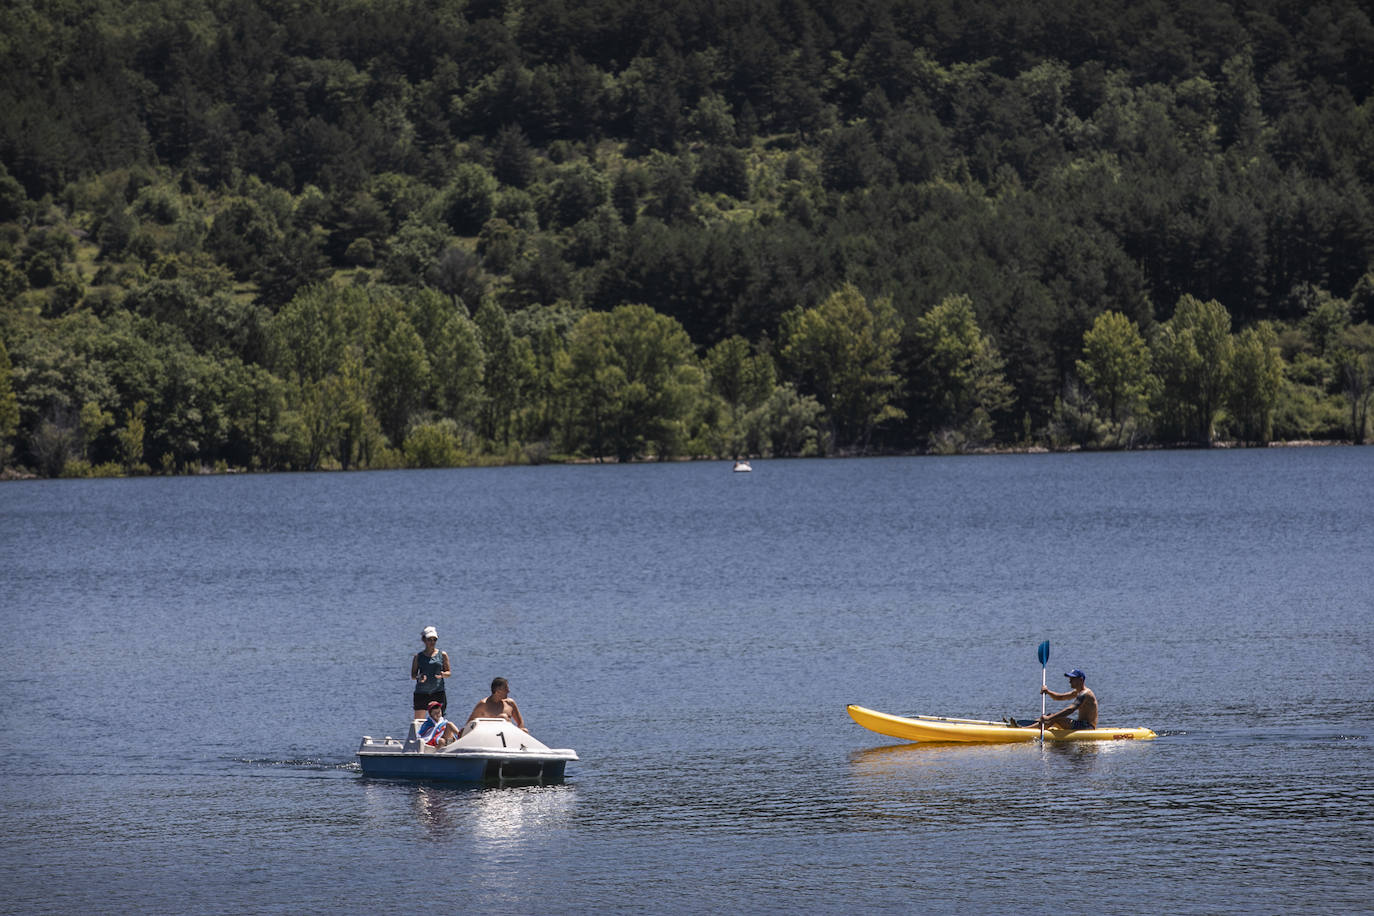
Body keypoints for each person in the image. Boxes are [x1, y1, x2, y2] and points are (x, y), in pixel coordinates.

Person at [1019, 668, 1098, 730]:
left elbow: (1071, 709)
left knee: (1055, 718)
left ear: (1081, 680)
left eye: (1072, 679)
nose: (1070, 681)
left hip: (1087, 727)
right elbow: (1060, 697)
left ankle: (1024, 730)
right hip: (1080, 724)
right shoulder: (1077, 692)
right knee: (1050, 716)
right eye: (1070, 678)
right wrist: (1048, 691)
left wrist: (1050, 718)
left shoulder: (1085, 694)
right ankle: (1029, 726)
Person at [410, 625, 450, 719]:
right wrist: (419, 677)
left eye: (434, 639)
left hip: (438, 692)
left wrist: (443, 674)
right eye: (429, 639)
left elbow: (448, 672)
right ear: (424, 640)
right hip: (422, 693)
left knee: (439, 721)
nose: (432, 642)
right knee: (419, 722)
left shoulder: (442, 655)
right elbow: (413, 675)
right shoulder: (418, 657)